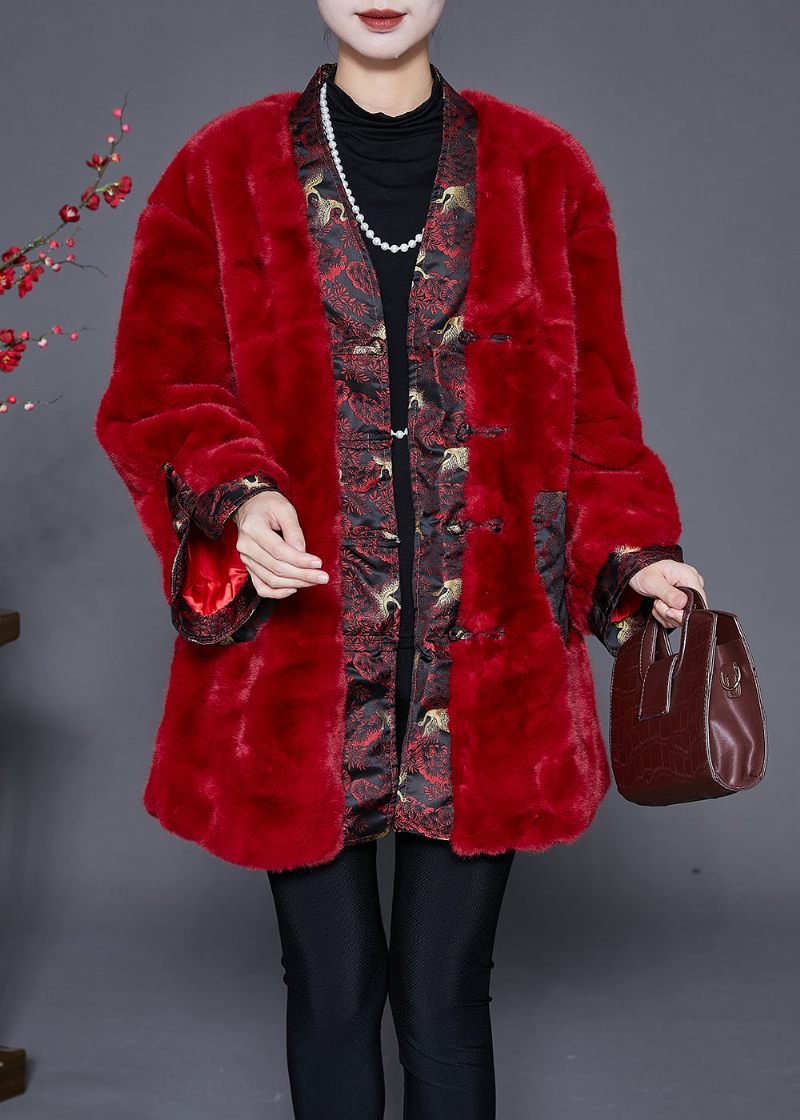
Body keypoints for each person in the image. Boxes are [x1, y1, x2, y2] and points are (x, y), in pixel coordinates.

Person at [95, 2, 707, 1116]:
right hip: (298, 670)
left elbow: (599, 425)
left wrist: (631, 557)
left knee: (445, 1001)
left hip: (494, 672)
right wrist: (242, 496)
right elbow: (157, 393)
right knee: (332, 995)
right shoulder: (218, 170)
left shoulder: (545, 173)